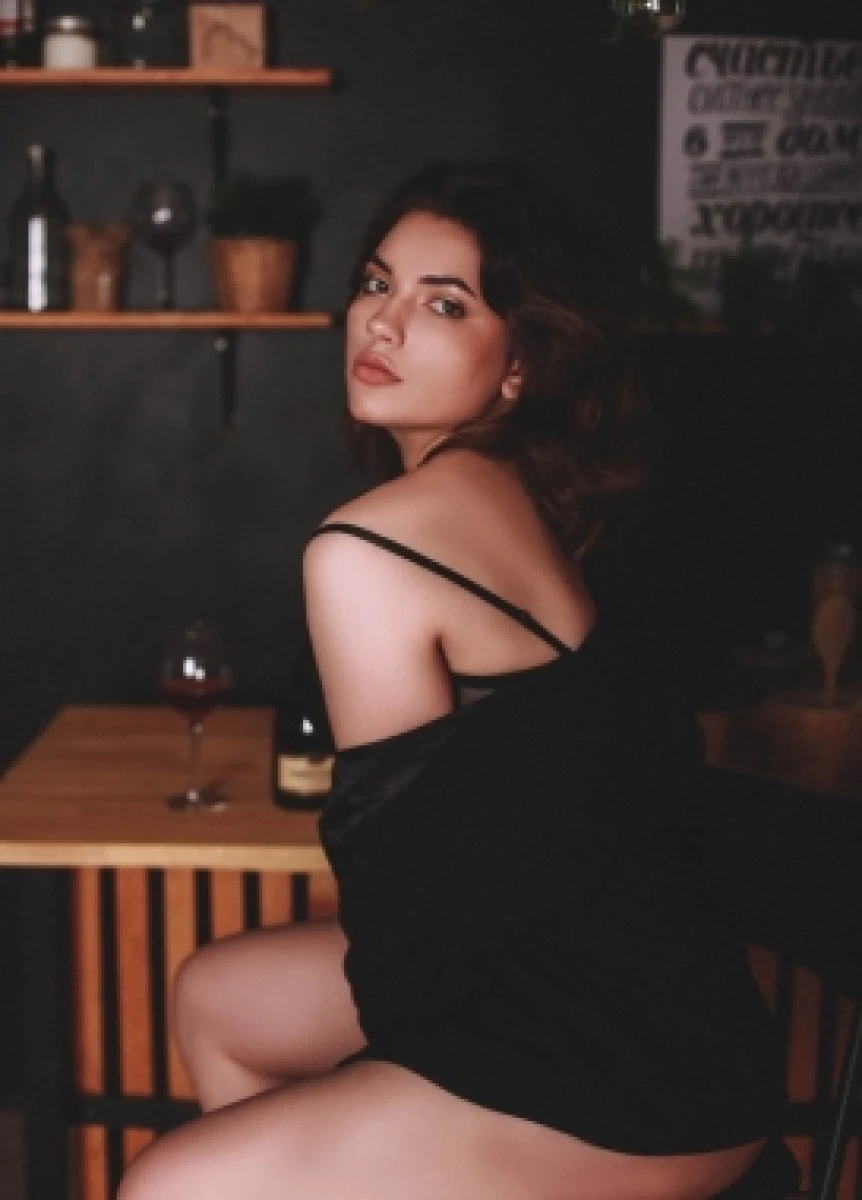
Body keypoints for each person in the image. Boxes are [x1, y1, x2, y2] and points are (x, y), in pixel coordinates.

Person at [117, 160, 860, 1200]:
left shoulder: (366, 550)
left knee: (175, 1185)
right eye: (376, 284)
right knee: (216, 994)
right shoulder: (525, 499)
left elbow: (406, 917)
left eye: (444, 304)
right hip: (666, 1000)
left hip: (621, 1076)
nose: (383, 323)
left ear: (518, 367)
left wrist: (371, 1119)